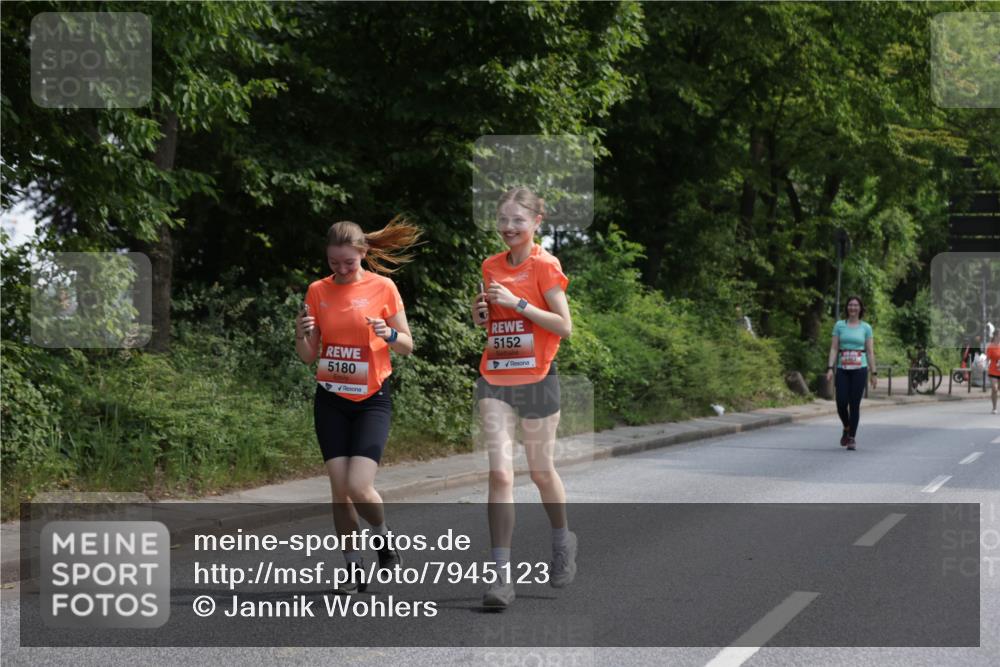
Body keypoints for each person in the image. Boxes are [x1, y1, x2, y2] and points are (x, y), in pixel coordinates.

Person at [296, 217, 420, 593]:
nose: (342, 269)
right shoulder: (317, 290)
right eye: (334, 263)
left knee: (359, 487)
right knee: (339, 490)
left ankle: (383, 541)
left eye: (348, 262)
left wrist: (389, 333)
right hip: (331, 398)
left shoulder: (384, 287)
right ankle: (353, 567)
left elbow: (407, 345)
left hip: (371, 400)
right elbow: (307, 356)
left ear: (363, 253)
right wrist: (301, 335)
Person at [471, 187, 576, 609]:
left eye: (517, 220)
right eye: (503, 220)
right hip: (495, 375)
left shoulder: (545, 265)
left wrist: (518, 303)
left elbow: (564, 326)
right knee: (499, 475)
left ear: (537, 222)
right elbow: (494, 322)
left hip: (536, 378)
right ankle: (501, 578)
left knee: (540, 471)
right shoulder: (490, 265)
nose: (508, 227)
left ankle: (562, 539)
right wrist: (482, 314)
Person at [825, 295, 878, 451]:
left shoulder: (866, 327)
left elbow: (870, 352)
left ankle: (852, 438)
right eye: (850, 305)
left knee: (854, 404)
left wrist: (873, 373)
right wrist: (830, 368)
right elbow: (834, 348)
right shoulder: (839, 325)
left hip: (860, 369)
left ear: (860, 308)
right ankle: (847, 427)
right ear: (847, 307)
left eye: (856, 305)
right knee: (841, 402)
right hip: (843, 369)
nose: (853, 308)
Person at [986, 329, 1000, 414]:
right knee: (994, 388)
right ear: (995, 336)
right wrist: (983, 364)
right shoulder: (990, 347)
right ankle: (994, 408)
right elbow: (987, 359)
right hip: (993, 371)